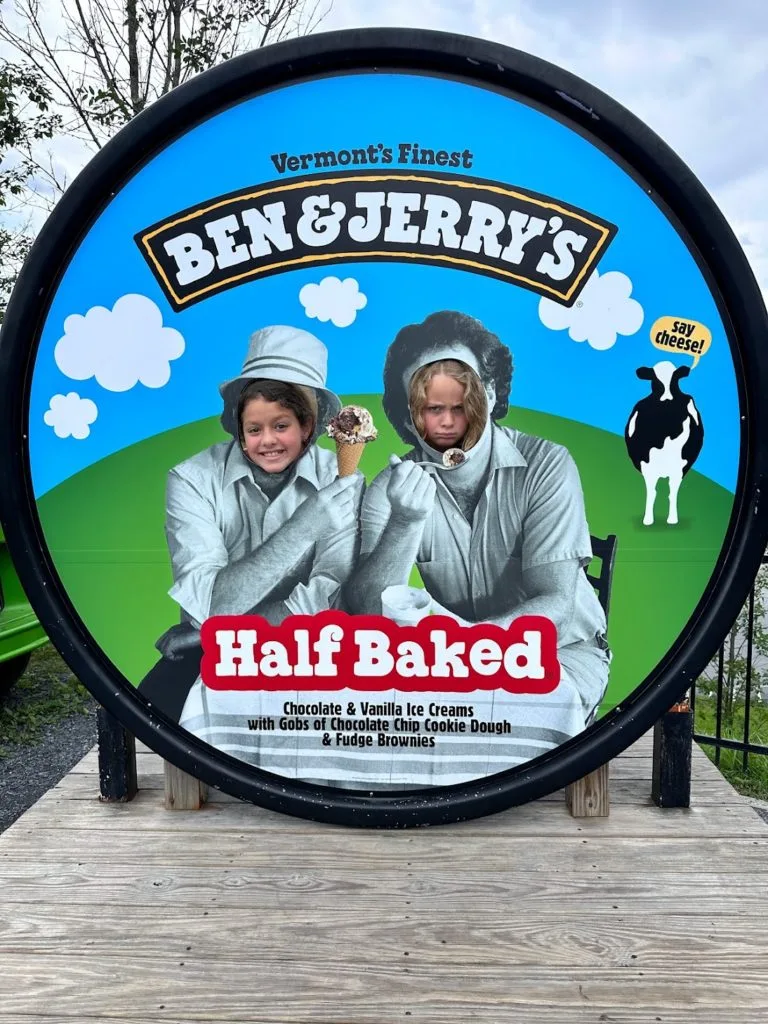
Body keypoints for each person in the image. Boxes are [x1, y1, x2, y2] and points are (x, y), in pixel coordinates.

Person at [345, 310, 610, 762]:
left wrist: (467, 652)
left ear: (488, 392)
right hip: (451, 666)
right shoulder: (391, 490)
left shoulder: (547, 465)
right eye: (429, 404)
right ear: (408, 419)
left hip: (558, 654)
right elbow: (367, 613)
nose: (449, 421)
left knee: (510, 734)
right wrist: (406, 523)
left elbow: (556, 607)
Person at [138, 325, 361, 727]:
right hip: (215, 654)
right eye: (254, 429)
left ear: (308, 427)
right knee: (144, 715)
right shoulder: (191, 479)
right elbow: (210, 606)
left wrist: (214, 634)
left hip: (310, 651)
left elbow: (330, 604)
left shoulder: (338, 478)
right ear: (238, 428)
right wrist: (303, 527)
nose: (266, 442)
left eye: (282, 426)